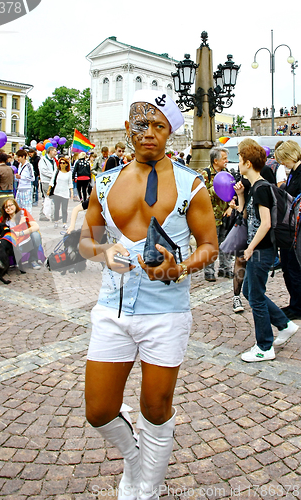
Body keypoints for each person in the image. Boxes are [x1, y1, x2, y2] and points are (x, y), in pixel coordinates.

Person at [79, 89, 218, 499]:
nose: (149, 133)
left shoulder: (191, 184)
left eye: (159, 125)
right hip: (112, 311)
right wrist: (104, 251)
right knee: (99, 410)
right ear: (128, 128)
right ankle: (135, 458)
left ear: (170, 132)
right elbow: (84, 241)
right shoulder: (104, 182)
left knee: (155, 410)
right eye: (141, 124)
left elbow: (209, 245)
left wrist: (179, 268)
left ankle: (147, 489)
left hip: (166, 313)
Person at [234, 142, 298, 362]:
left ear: (248, 162)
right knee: (250, 291)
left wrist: (250, 248)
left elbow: (266, 223)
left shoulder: (261, 188)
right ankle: (284, 324)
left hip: (261, 251)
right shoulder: (254, 187)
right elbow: (247, 218)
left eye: (240, 158)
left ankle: (264, 346)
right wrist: (241, 197)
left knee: (256, 298)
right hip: (259, 250)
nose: (238, 163)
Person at [275, 140, 301, 321]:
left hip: (296, 229)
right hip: (290, 227)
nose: (283, 164)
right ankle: (295, 303)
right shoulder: (294, 172)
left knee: (293, 269)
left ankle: (297, 306)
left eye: (284, 159)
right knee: (288, 268)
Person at [202, 146, 233, 281]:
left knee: (226, 243)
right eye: (224, 158)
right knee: (210, 244)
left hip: (225, 214)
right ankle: (209, 271)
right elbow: (201, 195)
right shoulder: (205, 174)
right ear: (215, 161)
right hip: (210, 216)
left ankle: (225, 268)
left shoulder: (228, 173)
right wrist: (217, 189)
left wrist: (231, 206)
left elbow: (233, 193)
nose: (226, 161)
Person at [0, 199, 42, 270]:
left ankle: (33, 260)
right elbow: (6, 234)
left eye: (11, 205)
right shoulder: (4, 220)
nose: (9, 208)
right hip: (16, 244)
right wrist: (20, 225)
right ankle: (14, 261)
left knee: (35, 235)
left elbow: (36, 226)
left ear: (15, 205)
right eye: (6, 207)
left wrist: (21, 233)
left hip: (27, 240)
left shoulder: (23, 212)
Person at [48, 157, 73, 229]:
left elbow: (70, 183)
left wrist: (71, 192)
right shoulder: (57, 171)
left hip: (65, 192)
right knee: (57, 208)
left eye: (63, 163)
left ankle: (64, 222)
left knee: (64, 209)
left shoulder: (69, 173)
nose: (62, 164)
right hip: (57, 192)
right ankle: (56, 221)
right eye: (60, 163)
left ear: (66, 164)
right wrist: (49, 189)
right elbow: (52, 180)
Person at [0, 152, 15, 222]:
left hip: (0, 196)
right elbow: (13, 182)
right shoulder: (11, 169)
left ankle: (1, 232)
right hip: (10, 195)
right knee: (10, 217)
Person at [39, 146, 57, 221]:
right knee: (49, 198)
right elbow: (43, 171)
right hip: (46, 181)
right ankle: (52, 215)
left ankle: (43, 214)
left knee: (48, 198)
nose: (56, 153)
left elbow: (56, 170)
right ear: (50, 151)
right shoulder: (43, 160)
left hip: (52, 181)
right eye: (54, 151)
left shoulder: (53, 160)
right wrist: (53, 175)